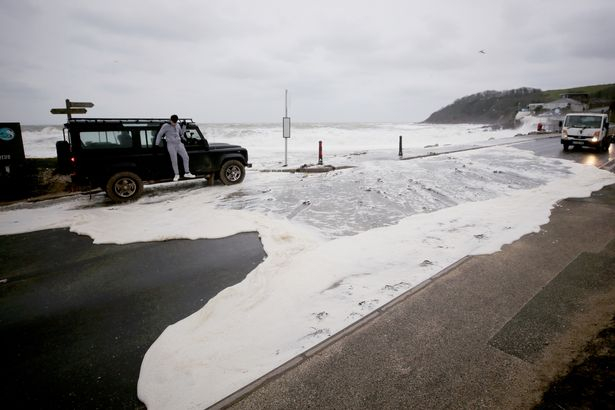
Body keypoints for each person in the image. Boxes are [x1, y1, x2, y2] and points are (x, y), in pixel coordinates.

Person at [155, 115, 196, 181]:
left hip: (179, 144)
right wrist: (157, 144)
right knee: (174, 160)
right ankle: (176, 174)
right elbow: (159, 135)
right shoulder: (165, 126)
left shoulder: (177, 125)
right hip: (171, 145)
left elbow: (181, 134)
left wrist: (184, 126)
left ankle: (187, 172)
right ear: (170, 120)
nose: (174, 124)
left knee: (186, 157)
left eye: (175, 122)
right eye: (173, 122)